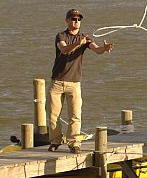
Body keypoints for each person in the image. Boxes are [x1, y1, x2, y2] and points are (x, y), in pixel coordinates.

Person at [48, 8, 114, 153]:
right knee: (53, 116)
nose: (76, 21)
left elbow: (96, 50)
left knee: (75, 116)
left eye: (78, 19)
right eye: (73, 19)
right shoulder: (61, 36)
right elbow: (64, 50)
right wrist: (79, 42)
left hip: (74, 83)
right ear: (67, 20)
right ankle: (55, 141)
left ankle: (74, 143)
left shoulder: (85, 38)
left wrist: (104, 48)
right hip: (57, 82)